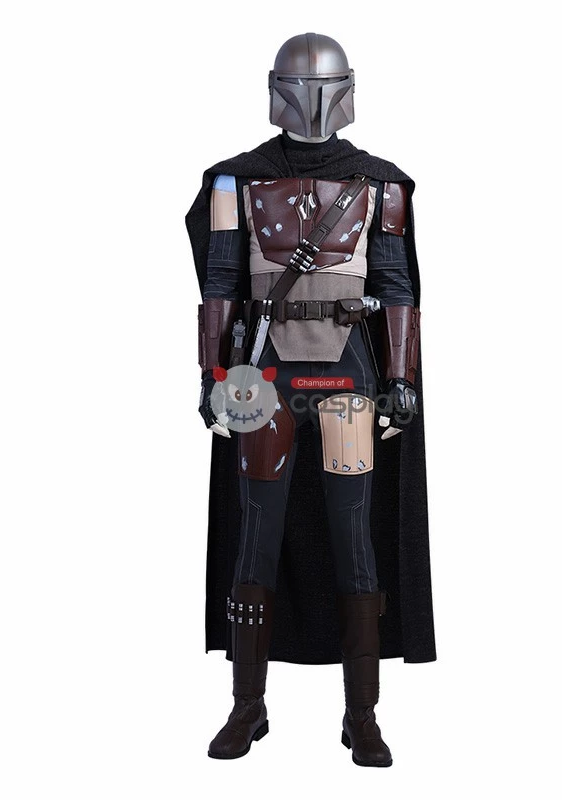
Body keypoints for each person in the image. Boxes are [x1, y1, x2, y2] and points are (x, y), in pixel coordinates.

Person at [185, 32, 435, 767]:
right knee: (255, 536)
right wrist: (212, 373)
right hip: (263, 381)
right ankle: (247, 705)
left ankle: (362, 715)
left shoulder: (380, 184)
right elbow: (221, 284)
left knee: (355, 539)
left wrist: (400, 379)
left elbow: (396, 286)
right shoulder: (234, 183)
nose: (312, 103)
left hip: (349, 377)